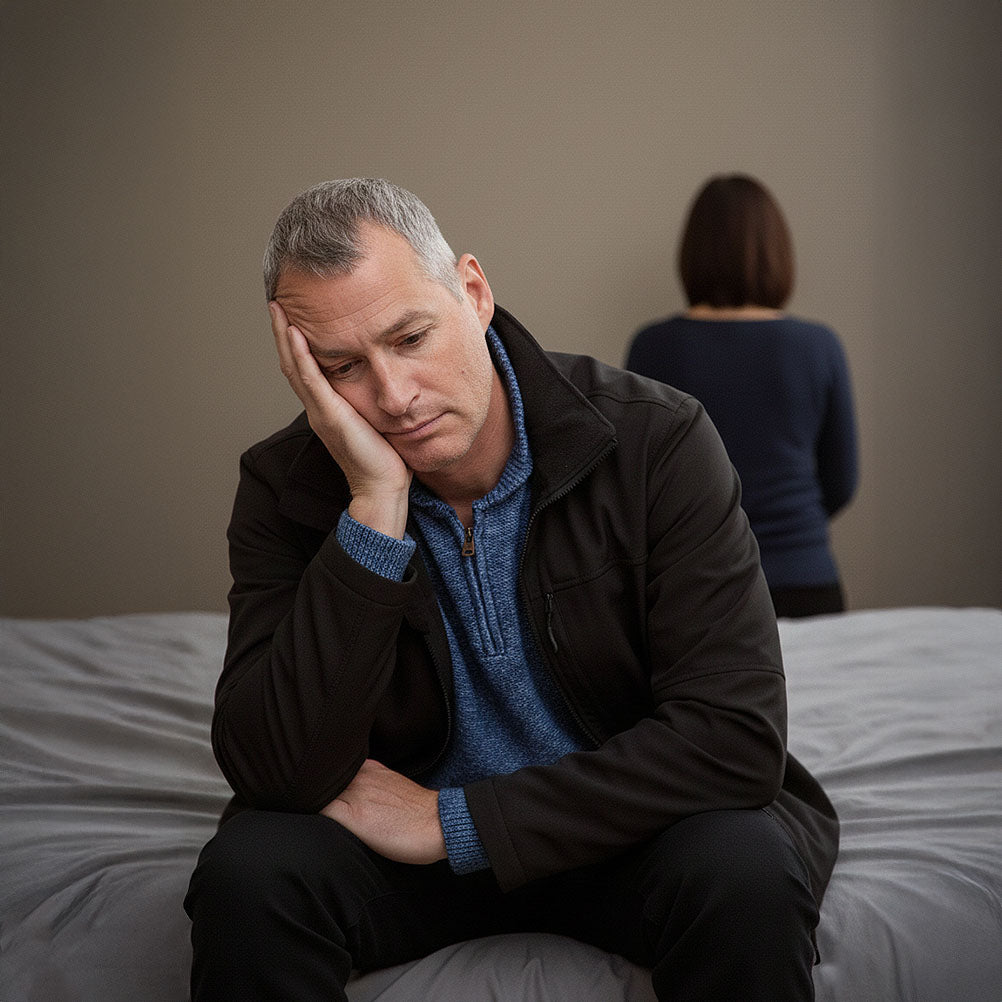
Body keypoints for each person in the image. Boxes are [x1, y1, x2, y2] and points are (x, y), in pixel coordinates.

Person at [184, 178, 838, 1001]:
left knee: (748, 874)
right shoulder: (285, 486)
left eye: (411, 337)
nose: (393, 397)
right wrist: (373, 509)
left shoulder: (657, 439)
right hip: (400, 865)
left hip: (631, 830)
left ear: (473, 292)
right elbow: (272, 769)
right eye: (342, 368)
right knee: (247, 877)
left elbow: (734, 737)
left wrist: (455, 822)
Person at [625, 174, 859, 619]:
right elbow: (841, 481)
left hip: (696, 581)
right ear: (777, 252)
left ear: (692, 253)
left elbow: (636, 481)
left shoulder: (653, 347)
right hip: (805, 577)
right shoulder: (818, 346)